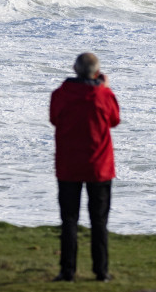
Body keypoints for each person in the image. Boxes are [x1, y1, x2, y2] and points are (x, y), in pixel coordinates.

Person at [50, 52, 121, 282]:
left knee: (69, 219)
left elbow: (54, 119)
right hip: (99, 166)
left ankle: (67, 271)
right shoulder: (104, 95)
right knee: (99, 221)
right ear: (97, 72)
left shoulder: (61, 94)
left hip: (69, 164)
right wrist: (106, 88)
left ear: (74, 69)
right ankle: (101, 271)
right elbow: (114, 120)